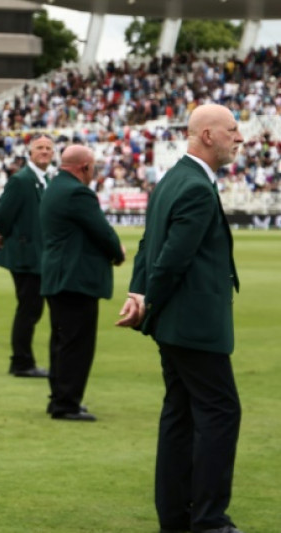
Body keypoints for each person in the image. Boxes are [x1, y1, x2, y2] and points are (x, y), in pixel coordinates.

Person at [117, 104, 244, 533]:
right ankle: (209, 520)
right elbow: (169, 258)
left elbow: (146, 245)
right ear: (207, 135)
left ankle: (177, 517)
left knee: (181, 415)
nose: (239, 137)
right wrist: (148, 300)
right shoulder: (192, 185)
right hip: (193, 324)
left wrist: (139, 294)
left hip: (175, 324)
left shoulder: (173, 179)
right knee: (220, 412)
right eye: (232, 130)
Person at [39, 145, 125, 422]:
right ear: (84, 167)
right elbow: (101, 230)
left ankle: (60, 399)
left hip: (57, 275)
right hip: (75, 278)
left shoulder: (54, 188)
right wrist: (117, 252)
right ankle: (67, 403)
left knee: (62, 342)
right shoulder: (78, 192)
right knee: (77, 344)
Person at [0, 134, 53, 378]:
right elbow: (3, 215)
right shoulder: (21, 180)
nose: (44, 151)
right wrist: (9, 237)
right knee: (28, 309)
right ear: (30, 152)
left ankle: (23, 360)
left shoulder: (44, 179)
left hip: (38, 255)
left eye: (48, 148)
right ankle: (20, 362)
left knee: (31, 310)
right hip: (26, 255)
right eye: (39, 147)